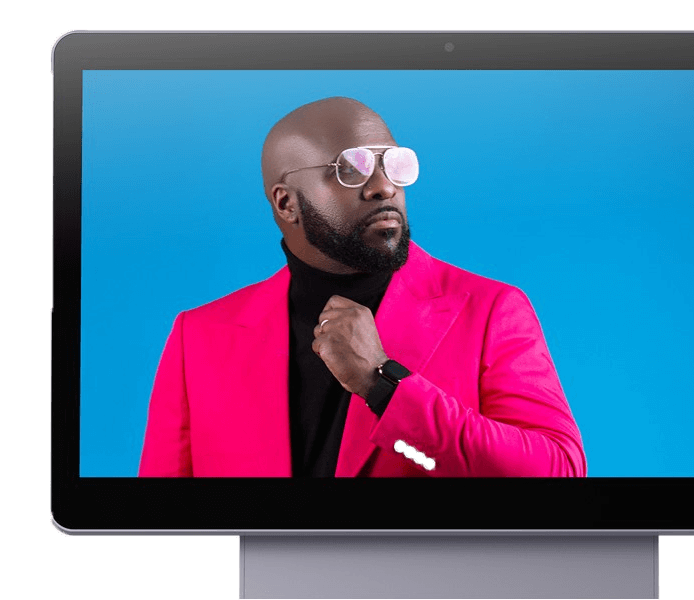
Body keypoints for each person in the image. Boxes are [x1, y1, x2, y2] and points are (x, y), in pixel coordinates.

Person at [139, 97, 587, 477]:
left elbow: (560, 468)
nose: (383, 187)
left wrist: (385, 387)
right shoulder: (199, 336)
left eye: (393, 164)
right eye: (349, 169)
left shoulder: (489, 310)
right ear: (286, 203)